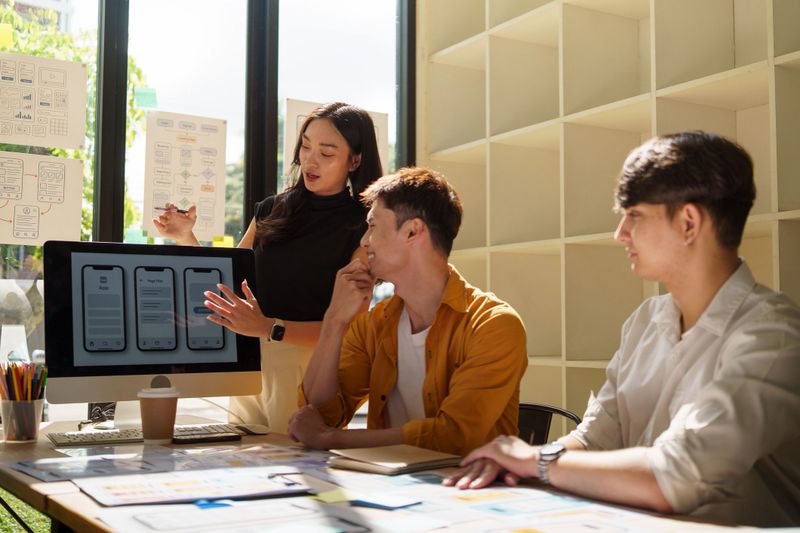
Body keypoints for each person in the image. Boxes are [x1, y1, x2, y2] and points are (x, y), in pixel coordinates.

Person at [444, 131, 800, 527]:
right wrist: (520, 465)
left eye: (634, 216)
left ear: (688, 222)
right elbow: (596, 438)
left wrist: (537, 460)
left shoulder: (773, 338)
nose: (620, 234)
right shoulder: (646, 321)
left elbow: (677, 476)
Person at [153, 102, 383, 432]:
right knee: (242, 469)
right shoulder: (272, 209)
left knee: (296, 472)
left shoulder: (364, 227)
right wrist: (185, 235)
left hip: (309, 369)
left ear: (355, 160)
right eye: (305, 146)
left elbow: (348, 330)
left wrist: (269, 328)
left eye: (327, 152)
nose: (310, 160)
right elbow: (226, 282)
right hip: (249, 363)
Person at [287, 167, 527, 455]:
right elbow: (317, 415)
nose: (364, 241)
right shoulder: (374, 323)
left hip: (464, 492)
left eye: (373, 226)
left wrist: (332, 439)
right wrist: (334, 320)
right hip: (388, 489)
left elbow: (453, 436)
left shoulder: (494, 325)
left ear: (413, 231)